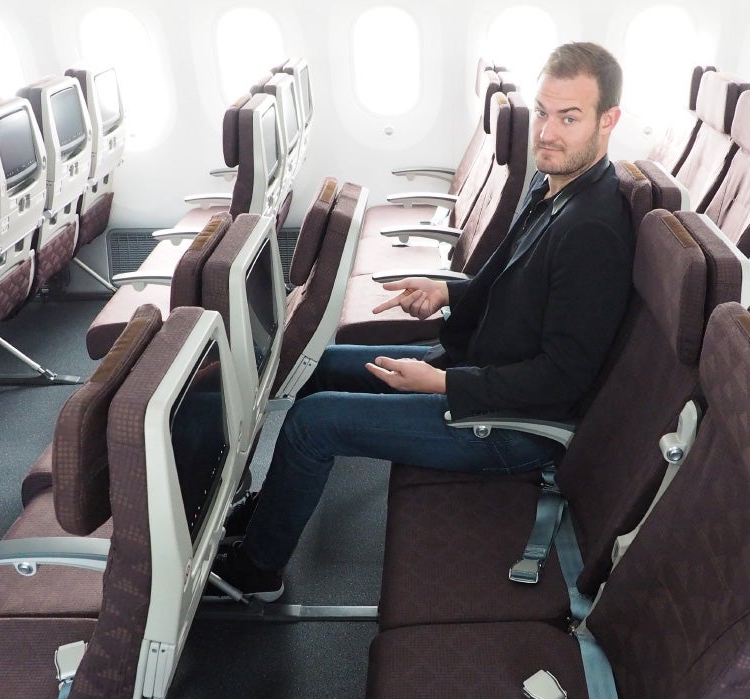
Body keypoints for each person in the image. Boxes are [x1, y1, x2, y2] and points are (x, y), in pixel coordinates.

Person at [216, 41, 634, 601]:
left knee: (314, 423)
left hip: (510, 427)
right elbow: (500, 279)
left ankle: (257, 572)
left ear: (609, 121)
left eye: (569, 118)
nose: (547, 132)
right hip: (477, 370)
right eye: (542, 112)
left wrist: (440, 383)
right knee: (316, 367)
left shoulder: (593, 230)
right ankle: (263, 515)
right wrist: (445, 291)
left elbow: (562, 378)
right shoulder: (552, 187)